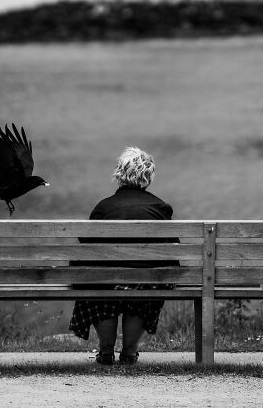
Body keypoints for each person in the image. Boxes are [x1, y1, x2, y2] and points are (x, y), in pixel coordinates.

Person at [68, 145, 173, 366]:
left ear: (120, 174)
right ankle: (129, 351)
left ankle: (106, 350)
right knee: (146, 285)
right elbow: (171, 254)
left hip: (106, 282)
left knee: (98, 283)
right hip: (145, 283)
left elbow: (85, 252)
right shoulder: (160, 208)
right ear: (148, 176)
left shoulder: (103, 208)